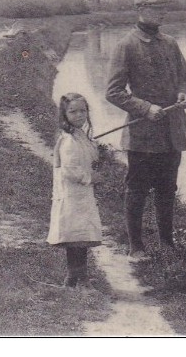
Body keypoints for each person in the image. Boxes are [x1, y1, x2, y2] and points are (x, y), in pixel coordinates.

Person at [105, 0, 186, 259]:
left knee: (168, 189)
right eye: (157, 8)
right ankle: (136, 246)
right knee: (137, 190)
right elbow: (113, 92)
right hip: (142, 134)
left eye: (165, 8)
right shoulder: (126, 45)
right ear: (141, 9)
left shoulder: (170, 43)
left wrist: (183, 94)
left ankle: (167, 244)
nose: (162, 13)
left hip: (172, 131)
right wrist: (145, 108)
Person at [46, 92, 104, 287]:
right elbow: (70, 171)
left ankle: (80, 276)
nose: (79, 115)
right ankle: (73, 277)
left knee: (81, 236)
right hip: (72, 195)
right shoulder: (69, 140)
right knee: (74, 238)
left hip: (81, 196)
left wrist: (94, 147)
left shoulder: (78, 136)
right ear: (65, 115)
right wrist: (90, 177)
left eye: (83, 111)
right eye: (73, 112)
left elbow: (89, 156)